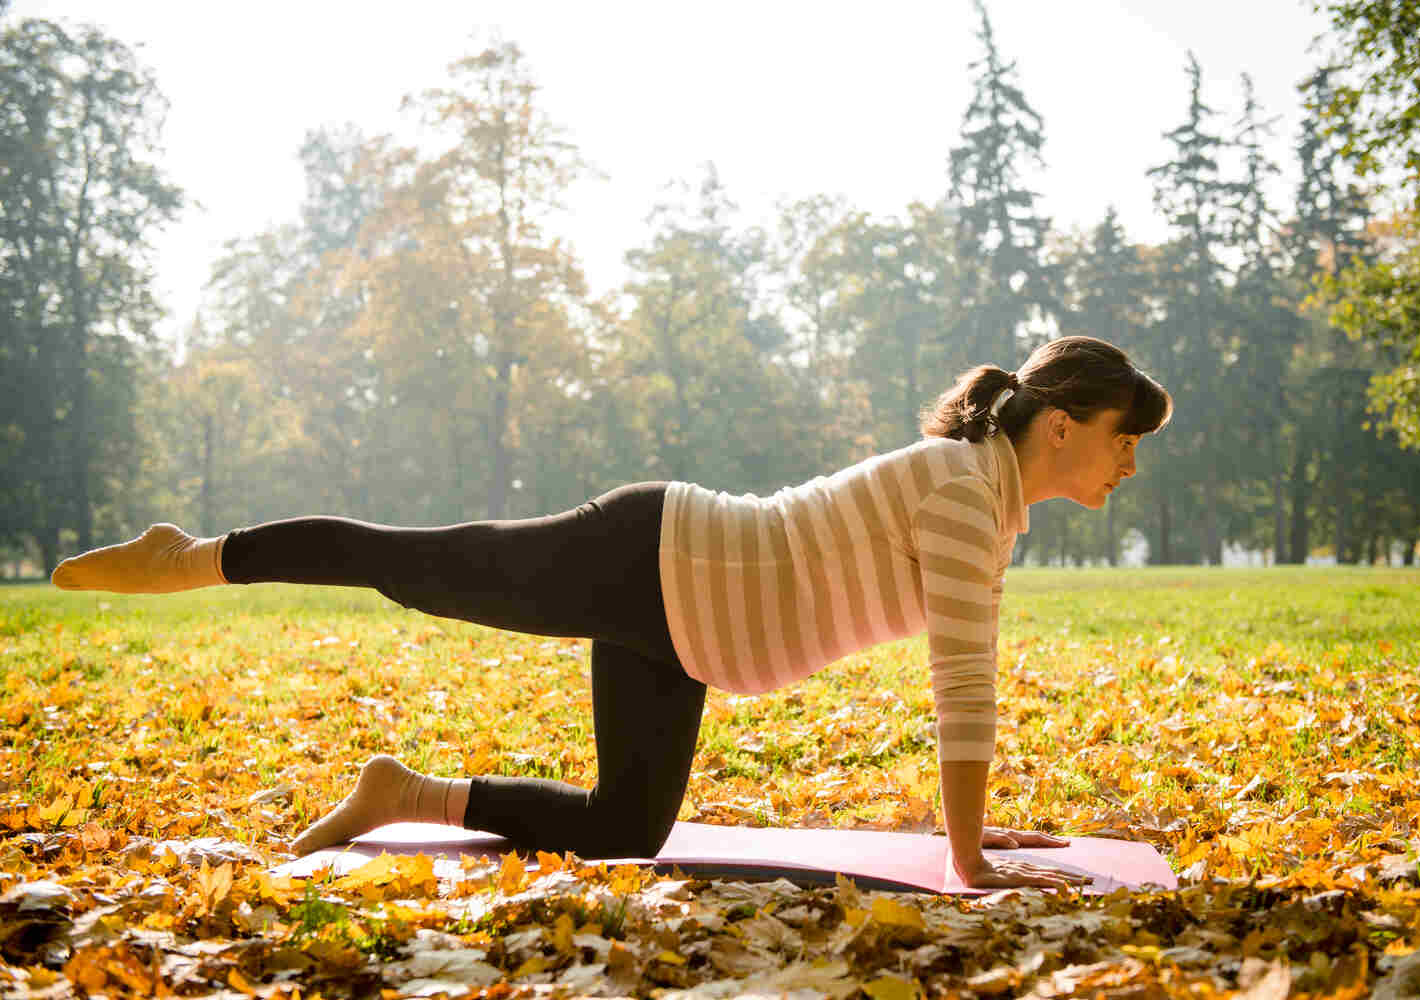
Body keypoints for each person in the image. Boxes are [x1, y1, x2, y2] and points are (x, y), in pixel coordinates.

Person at [51, 335, 1170, 890]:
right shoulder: (966, 490)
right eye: (1125, 435)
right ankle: (196, 556)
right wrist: (969, 860)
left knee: (628, 828)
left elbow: (964, 682)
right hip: (655, 558)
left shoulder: (986, 497)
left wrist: (975, 838)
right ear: (1063, 421)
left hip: (687, 633)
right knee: (418, 566)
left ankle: (401, 790)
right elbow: (961, 691)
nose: (1130, 462)